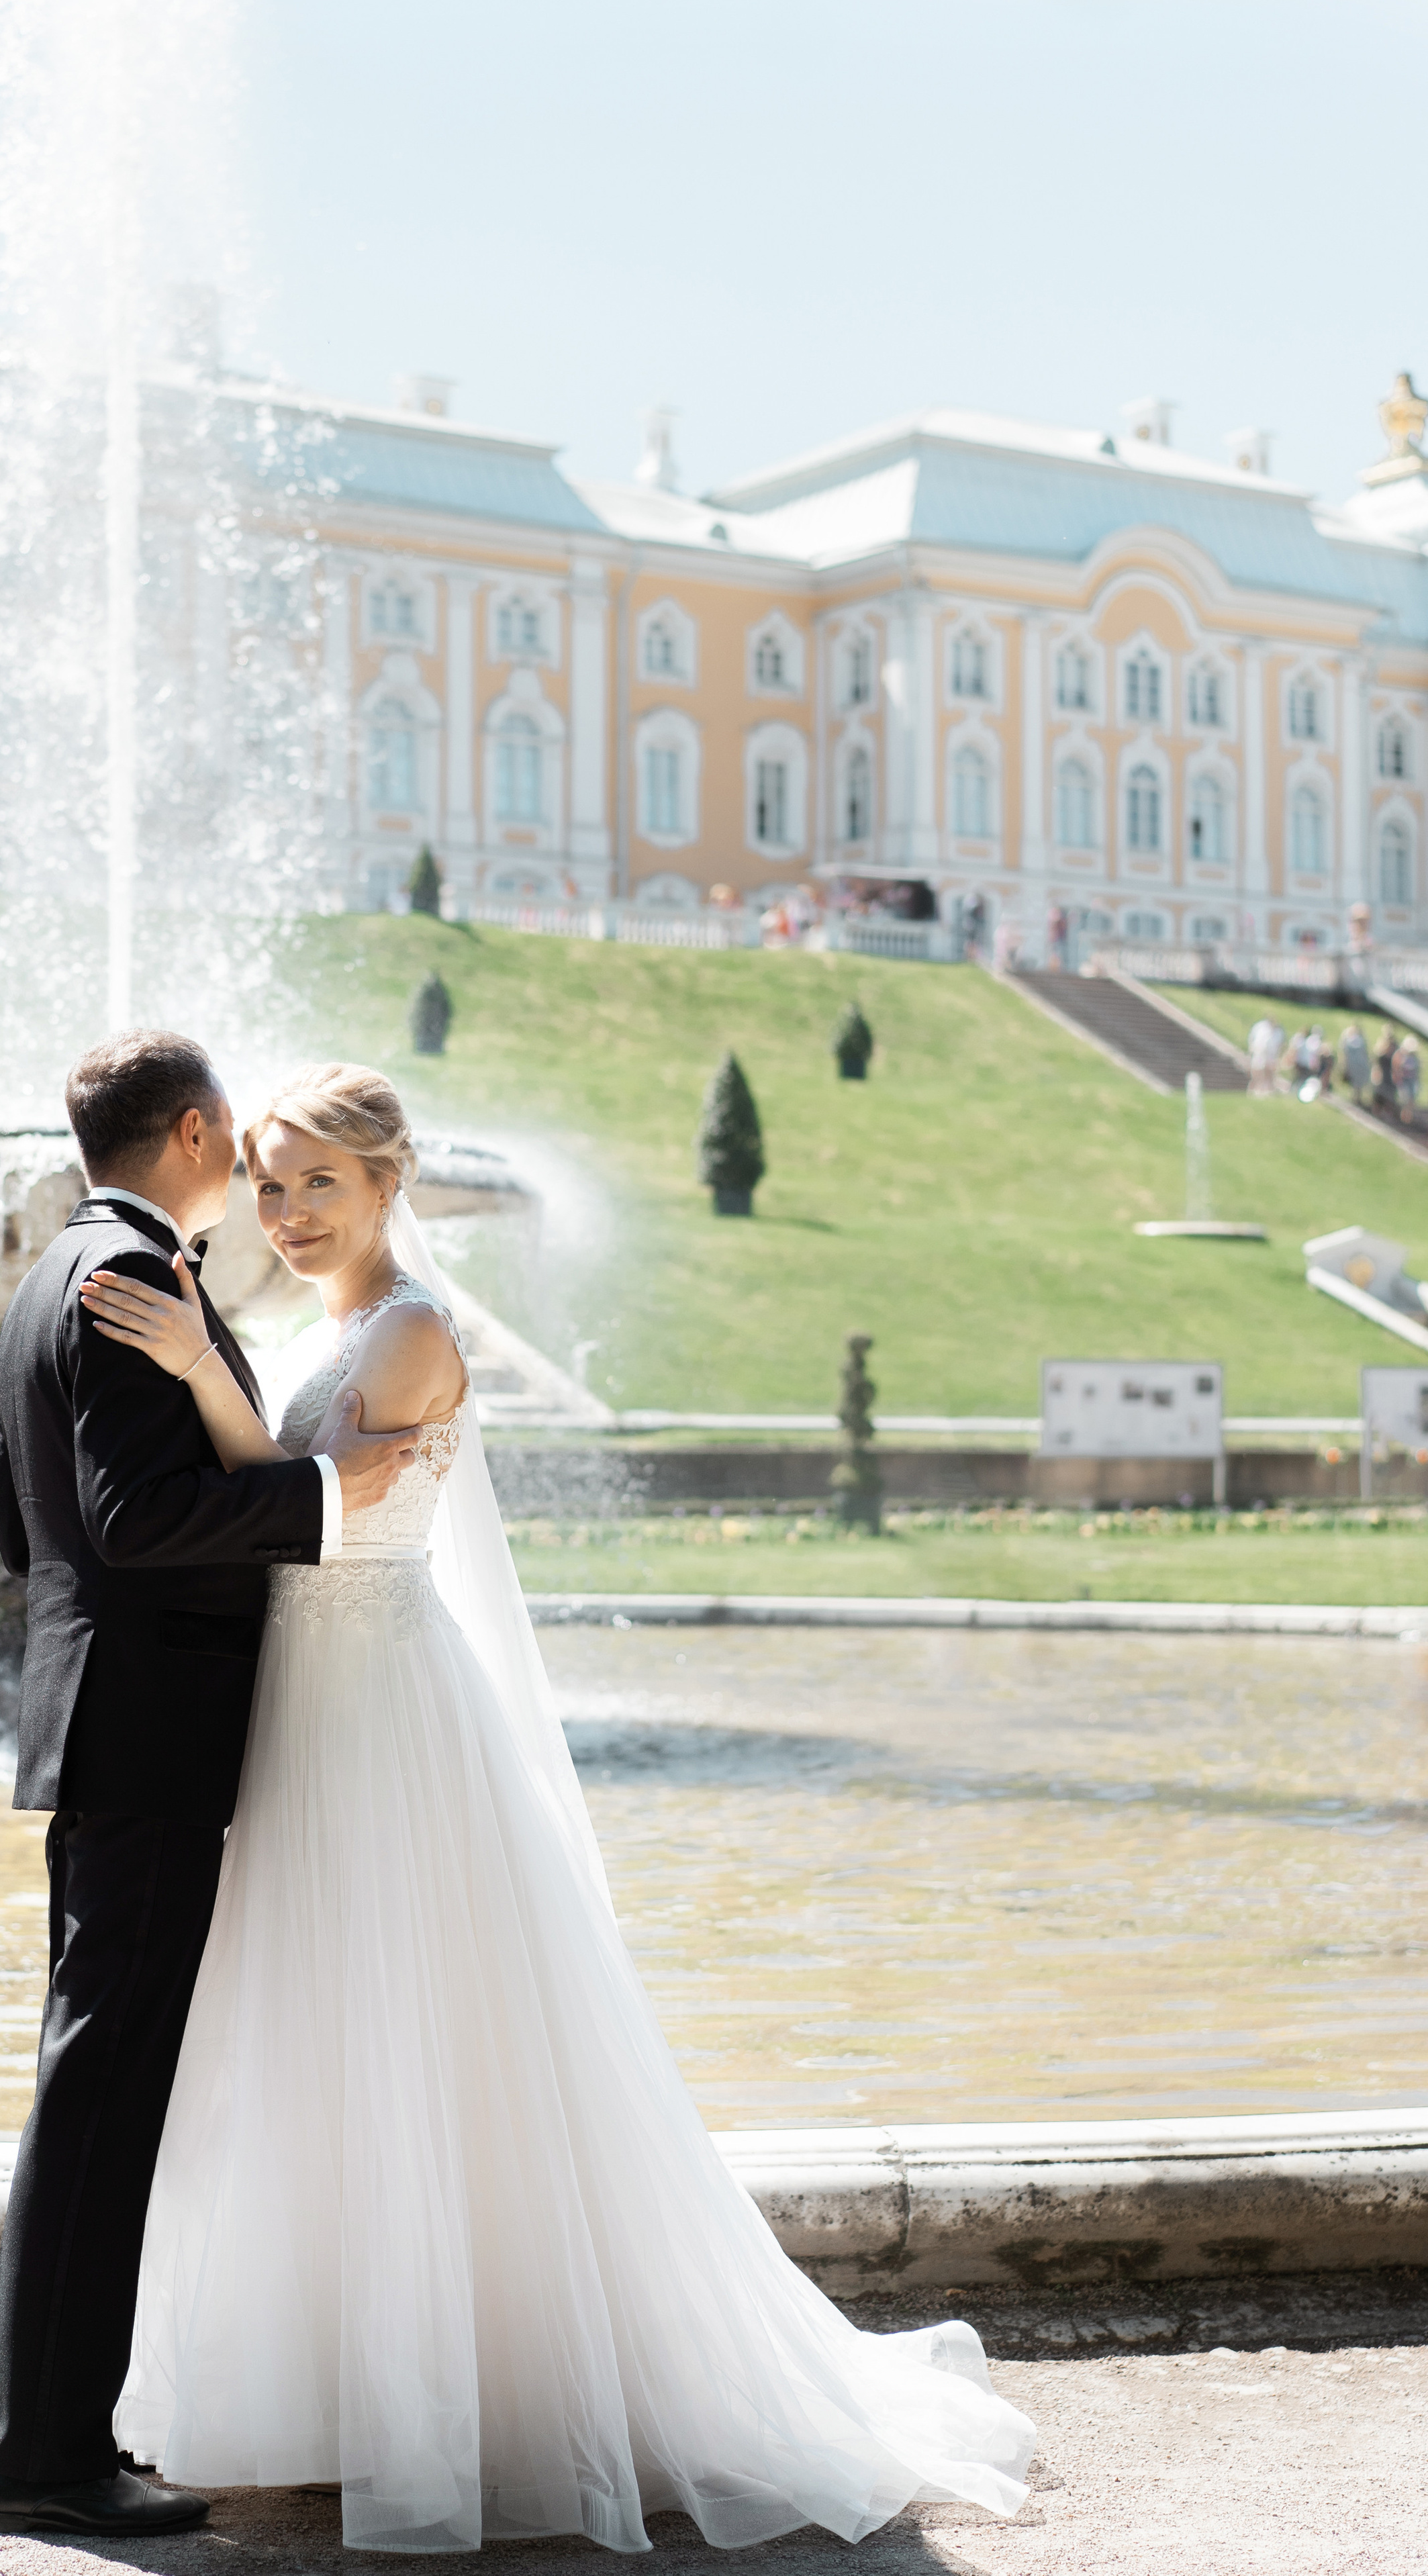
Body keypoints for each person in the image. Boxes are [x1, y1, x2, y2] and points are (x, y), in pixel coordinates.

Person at [75, 1063, 1035, 2556]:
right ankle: (340, 2389)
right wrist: (210, 1369)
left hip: (380, 1712)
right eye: (269, 1185)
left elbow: (313, 1509)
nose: (288, 1211)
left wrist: (201, 1367)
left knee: (414, 2034)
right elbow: (284, 1500)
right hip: (305, 1711)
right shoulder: (326, 1329)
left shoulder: (408, 1332)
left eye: (320, 1182)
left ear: (389, 1183)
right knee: (318, 2033)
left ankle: (464, 2399)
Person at [0, 1033, 422, 2542]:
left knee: (90, 2087)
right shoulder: (131, 1277)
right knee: (101, 2098)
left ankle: (44, 2442)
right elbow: (135, 1518)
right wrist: (320, 1497)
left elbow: (23, 1530)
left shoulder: (54, 1271)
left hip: (102, 1722)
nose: (252, 1172)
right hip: (151, 1734)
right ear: (194, 1127)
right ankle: (41, 2462)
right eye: (237, 1142)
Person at [1338, 1021, 1370, 1104]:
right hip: (1352, 1063)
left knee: (1359, 1082)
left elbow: (1365, 1052)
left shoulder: (1361, 1039)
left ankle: (1358, 1098)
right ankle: (1354, 1098)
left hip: (1361, 1064)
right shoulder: (1347, 1039)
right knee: (1353, 1081)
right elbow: (1344, 1052)